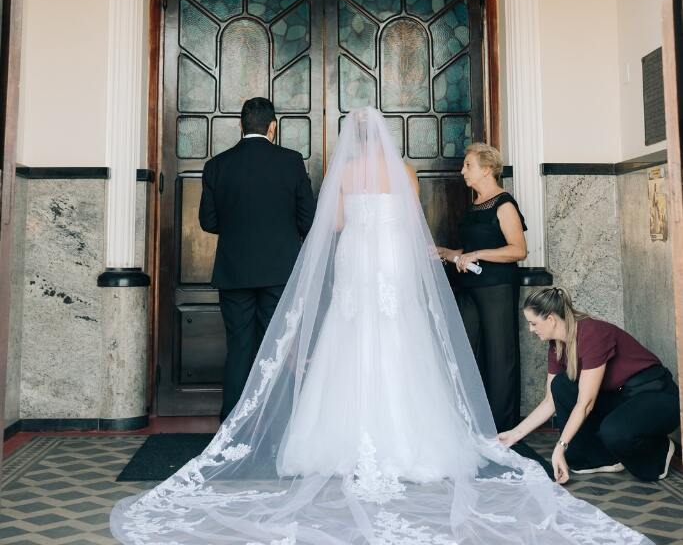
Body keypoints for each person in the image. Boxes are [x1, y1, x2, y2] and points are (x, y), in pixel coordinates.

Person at [111, 109, 655, 545]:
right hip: (392, 259)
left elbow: (338, 224)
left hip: (354, 258)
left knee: (347, 336)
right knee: (401, 338)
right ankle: (414, 437)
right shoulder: (407, 172)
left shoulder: (343, 173)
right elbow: (409, 221)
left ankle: (310, 436)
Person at [198, 96, 316, 420]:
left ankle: (232, 425)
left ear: (241, 125)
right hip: (279, 271)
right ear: (273, 128)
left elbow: (207, 222)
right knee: (276, 346)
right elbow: (309, 220)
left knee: (239, 347)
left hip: (234, 272)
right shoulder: (291, 161)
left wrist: (237, 229)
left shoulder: (216, 165)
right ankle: (274, 423)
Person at [500, 286, 679, 485]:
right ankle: (602, 458)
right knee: (561, 385)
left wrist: (560, 447)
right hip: (621, 397)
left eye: (533, 323)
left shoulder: (592, 333)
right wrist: (513, 435)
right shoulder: (556, 346)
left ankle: (659, 450)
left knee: (614, 432)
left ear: (550, 319)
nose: (531, 329)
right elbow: (550, 401)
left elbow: (586, 403)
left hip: (656, 394)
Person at [437, 142, 528, 430]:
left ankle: (503, 428)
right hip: (469, 288)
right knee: (473, 351)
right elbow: (471, 249)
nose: (462, 170)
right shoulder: (475, 204)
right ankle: (478, 422)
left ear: (487, 169)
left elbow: (518, 250)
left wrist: (478, 255)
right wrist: (446, 253)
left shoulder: (504, 203)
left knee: (500, 357)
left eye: (468, 166)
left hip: (497, 289)